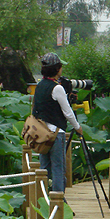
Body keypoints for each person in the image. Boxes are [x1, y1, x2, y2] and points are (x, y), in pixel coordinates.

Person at [32, 52, 83, 192]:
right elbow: (68, 112)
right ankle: (59, 199)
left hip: (41, 133)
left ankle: (44, 198)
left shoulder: (40, 85)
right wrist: (77, 127)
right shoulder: (57, 88)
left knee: (44, 168)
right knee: (58, 169)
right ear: (57, 69)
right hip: (55, 134)